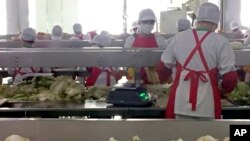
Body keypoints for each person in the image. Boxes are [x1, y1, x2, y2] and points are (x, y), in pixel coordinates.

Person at [161, 3, 238, 120]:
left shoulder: (179, 38)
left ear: (197, 20)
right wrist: (223, 89)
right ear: (215, 24)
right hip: (208, 105)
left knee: (178, 136)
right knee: (207, 137)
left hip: (179, 103)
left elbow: (163, 68)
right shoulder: (221, 42)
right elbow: (230, 78)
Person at [124, 8, 171, 85]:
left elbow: (168, 59)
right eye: (145, 22)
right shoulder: (131, 40)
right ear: (139, 23)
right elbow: (127, 61)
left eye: (151, 22)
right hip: (137, 81)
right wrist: (132, 79)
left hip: (156, 81)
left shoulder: (159, 40)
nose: (148, 24)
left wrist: (163, 77)